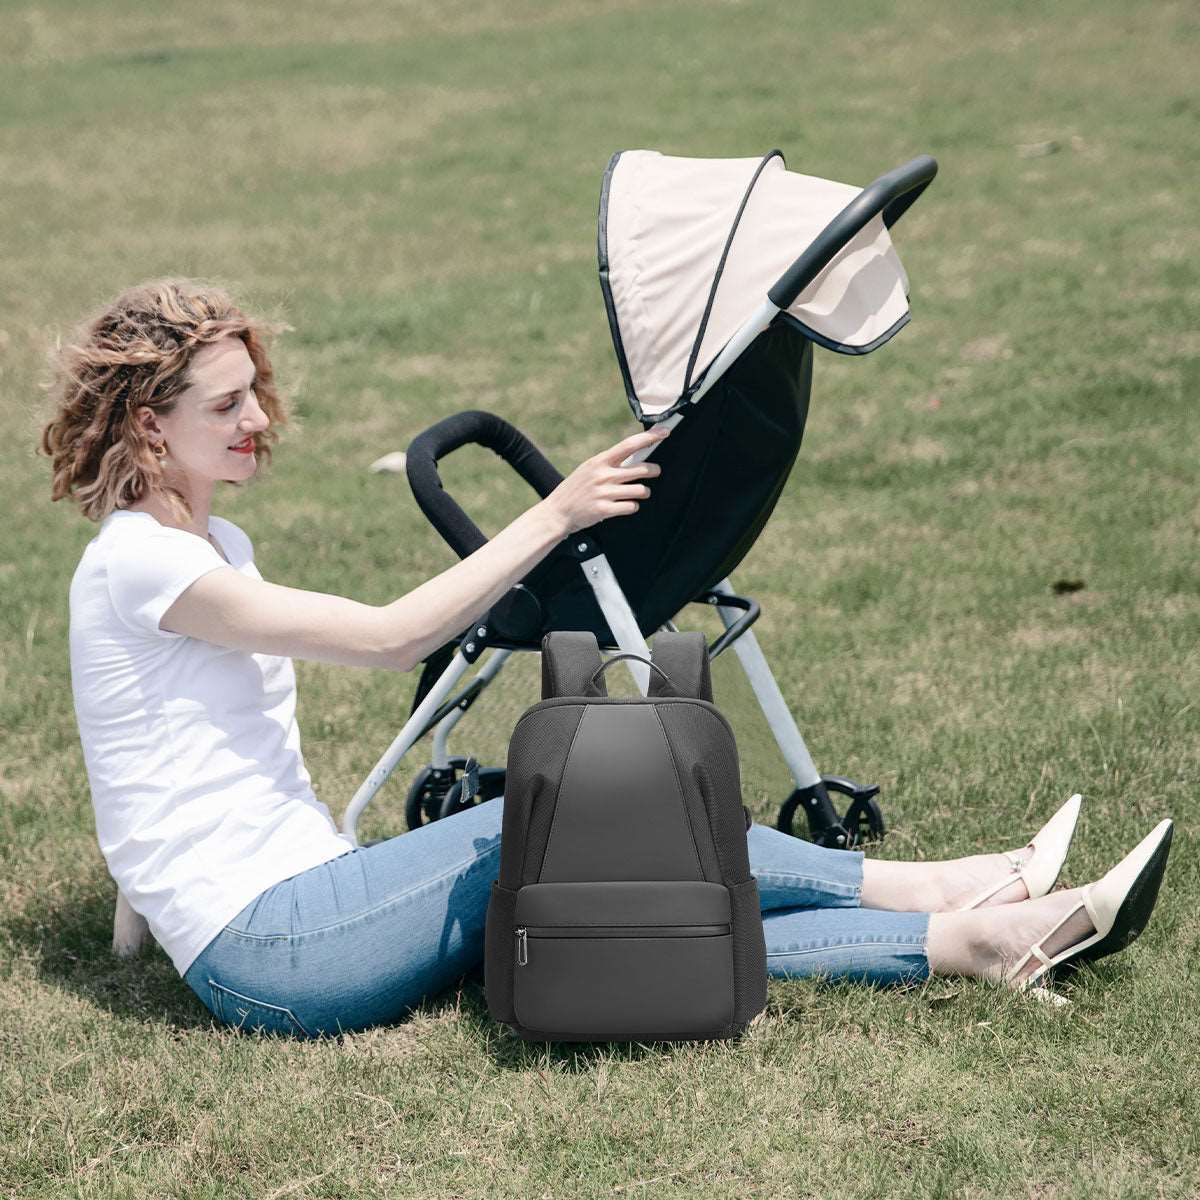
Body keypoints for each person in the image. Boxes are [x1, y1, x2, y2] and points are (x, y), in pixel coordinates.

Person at [42, 279, 1173, 1038]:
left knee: (617, 918)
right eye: (227, 405)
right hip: (274, 946)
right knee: (542, 815)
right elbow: (394, 642)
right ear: (148, 425)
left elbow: (157, 747)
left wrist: (141, 909)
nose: (259, 421)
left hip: (295, 909)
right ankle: (946, 882)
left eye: (255, 393)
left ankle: (979, 937)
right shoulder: (141, 563)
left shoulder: (210, 539)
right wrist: (557, 515)